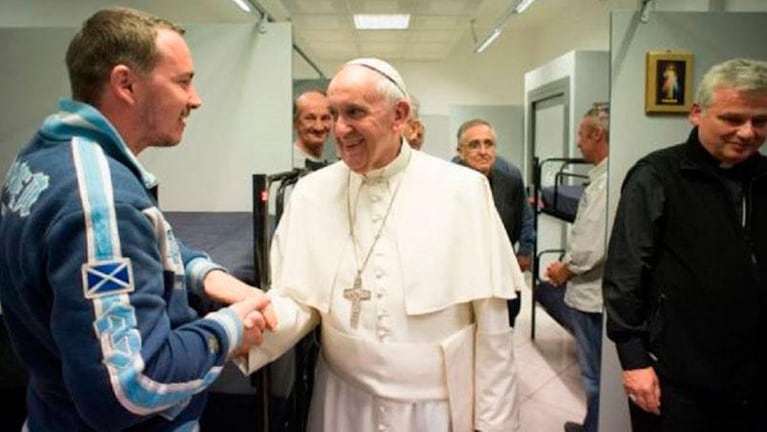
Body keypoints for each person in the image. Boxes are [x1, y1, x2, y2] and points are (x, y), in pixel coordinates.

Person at [0, 8, 274, 431]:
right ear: (125, 84)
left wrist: (203, 273)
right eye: (182, 81)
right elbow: (130, 388)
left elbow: (139, 242)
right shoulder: (99, 200)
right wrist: (228, 329)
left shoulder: (46, 155)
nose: (195, 98)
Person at [237, 58, 523, 431]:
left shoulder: (463, 191)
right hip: (341, 400)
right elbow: (299, 299)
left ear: (399, 115)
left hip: (435, 408)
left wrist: (495, 424)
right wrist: (250, 327)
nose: (339, 129)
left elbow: (493, 327)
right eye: (332, 113)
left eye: (354, 112)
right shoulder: (311, 192)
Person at [603, 58, 767, 432]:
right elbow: (625, 275)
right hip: (675, 379)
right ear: (696, 113)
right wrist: (633, 360)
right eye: (733, 118)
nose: (747, 132)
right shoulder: (657, 176)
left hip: (754, 380)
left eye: (760, 121)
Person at [543, 105, 609, 432]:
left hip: (593, 297)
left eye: (582, 135)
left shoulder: (604, 185)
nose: (579, 143)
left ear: (597, 135)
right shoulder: (603, 179)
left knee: (595, 375)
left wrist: (562, 271)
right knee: (597, 374)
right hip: (596, 293)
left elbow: (589, 248)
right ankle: (591, 424)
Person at [453, 119, 536, 273]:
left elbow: (526, 218)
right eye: (474, 145)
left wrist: (524, 252)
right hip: (461, 261)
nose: (483, 152)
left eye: (488, 144)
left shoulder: (511, 176)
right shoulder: (447, 179)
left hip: (501, 258)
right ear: (460, 151)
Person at [293, 89, 333, 170]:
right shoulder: (285, 165)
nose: (319, 127)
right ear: (295, 123)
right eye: (310, 118)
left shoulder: (331, 165)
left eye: (325, 118)